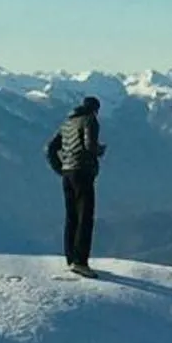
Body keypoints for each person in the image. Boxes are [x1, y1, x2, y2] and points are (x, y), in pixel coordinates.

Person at [48, 95, 105, 276]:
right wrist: (99, 151)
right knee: (85, 216)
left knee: (71, 216)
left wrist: (61, 168)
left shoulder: (67, 123)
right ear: (95, 109)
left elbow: (50, 148)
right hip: (83, 172)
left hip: (68, 174)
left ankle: (71, 258)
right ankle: (81, 262)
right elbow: (89, 145)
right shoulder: (90, 120)